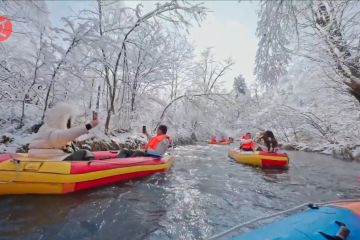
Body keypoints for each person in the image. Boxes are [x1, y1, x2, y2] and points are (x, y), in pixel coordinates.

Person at [28, 102, 99, 161]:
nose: (69, 123)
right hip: (51, 159)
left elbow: (69, 136)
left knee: (83, 152)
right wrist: (89, 125)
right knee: (84, 153)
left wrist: (85, 130)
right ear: (62, 118)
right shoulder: (49, 131)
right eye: (68, 120)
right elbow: (63, 136)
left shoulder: (47, 129)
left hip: (54, 157)